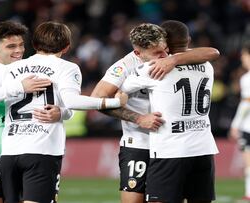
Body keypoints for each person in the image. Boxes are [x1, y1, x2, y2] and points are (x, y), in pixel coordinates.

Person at [0, 21, 127, 203]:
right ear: (67, 47)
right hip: (42, 149)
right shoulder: (67, 68)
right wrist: (115, 102)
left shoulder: (7, 69)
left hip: (9, 150)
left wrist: (62, 112)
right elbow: (71, 101)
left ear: (35, 45)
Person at [91, 23, 220, 203]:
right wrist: (139, 118)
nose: (163, 56)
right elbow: (98, 99)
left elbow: (213, 52)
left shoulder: (175, 58)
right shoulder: (125, 66)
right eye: (157, 53)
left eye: (165, 50)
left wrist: (173, 60)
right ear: (138, 53)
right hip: (140, 142)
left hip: (170, 143)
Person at [0, 20, 72, 203]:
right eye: (11, 46)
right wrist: (17, 88)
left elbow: (63, 101)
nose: (19, 50)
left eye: (21, 45)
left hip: (27, 146)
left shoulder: (31, 67)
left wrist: (63, 112)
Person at [229, 41, 250, 200]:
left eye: (244, 55)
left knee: (249, 162)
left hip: (248, 126)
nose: (243, 59)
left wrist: (235, 125)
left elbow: (245, 103)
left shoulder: (247, 78)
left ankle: (249, 194)